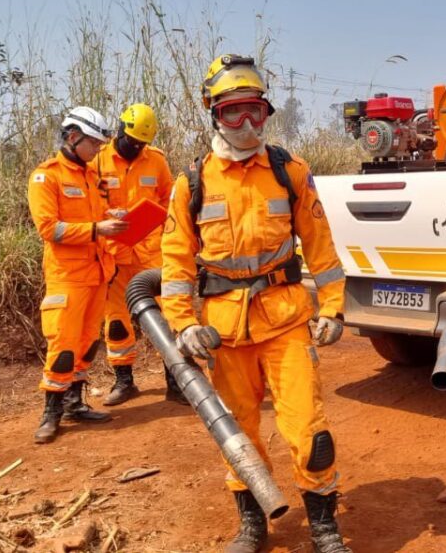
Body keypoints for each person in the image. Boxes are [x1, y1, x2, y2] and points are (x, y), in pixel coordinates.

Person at [160, 54, 352, 553]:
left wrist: (332, 306)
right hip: (224, 332)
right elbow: (176, 263)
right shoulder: (193, 183)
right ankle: (251, 524)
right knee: (237, 431)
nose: (246, 124)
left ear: (267, 112)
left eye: (255, 112)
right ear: (213, 114)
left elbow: (321, 246)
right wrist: (183, 325)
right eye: (233, 113)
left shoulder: (290, 172)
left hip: (286, 322)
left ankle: (325, 528)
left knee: (308, 428)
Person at [27, 106, 127, 444]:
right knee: (64, 345)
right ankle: (51, 412)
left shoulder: (90, 177)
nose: (98, 151)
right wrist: (99, 228)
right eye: (94, 144)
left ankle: (74, 403)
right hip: (67, 277)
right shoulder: (46, 176)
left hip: (98, 273)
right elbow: (48, 228)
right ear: (73, 137)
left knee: (87, 343)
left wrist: (112, 215)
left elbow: (96, 216)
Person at [95, 103, 175, 406]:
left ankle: (176, 379)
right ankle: (124, 380)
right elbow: (88, 204)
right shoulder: (98, 161)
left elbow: (170, 200)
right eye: (131, 141)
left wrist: (157, 216)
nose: (136, 148)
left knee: (167, 316)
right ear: (119, 130)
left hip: (151, 252)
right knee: (116, 320)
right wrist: (106, 215)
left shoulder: (156, 162)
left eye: (142, 143)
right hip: (115, 252)